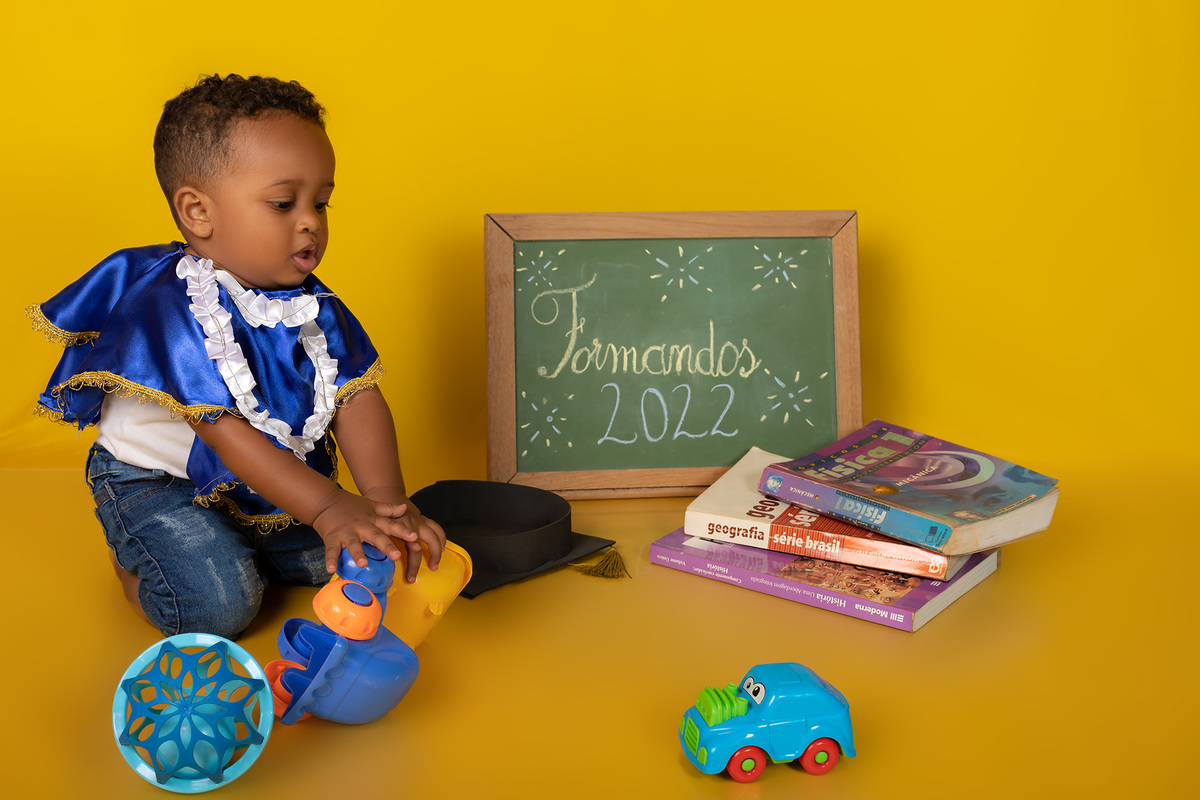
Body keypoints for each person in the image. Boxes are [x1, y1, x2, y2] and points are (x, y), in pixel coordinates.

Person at [27, 74, 445, 640]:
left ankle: (245, 543)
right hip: (156, 483)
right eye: (283, 203)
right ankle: (137, 565)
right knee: (220, 608)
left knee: (365, 557)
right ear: (198, 212)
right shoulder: (171, 305)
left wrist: (384, 503)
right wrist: (327, 508)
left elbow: (357, 396)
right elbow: (224, 434)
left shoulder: (309, 302)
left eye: (321, 202)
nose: (311, 221)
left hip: (265, 477)